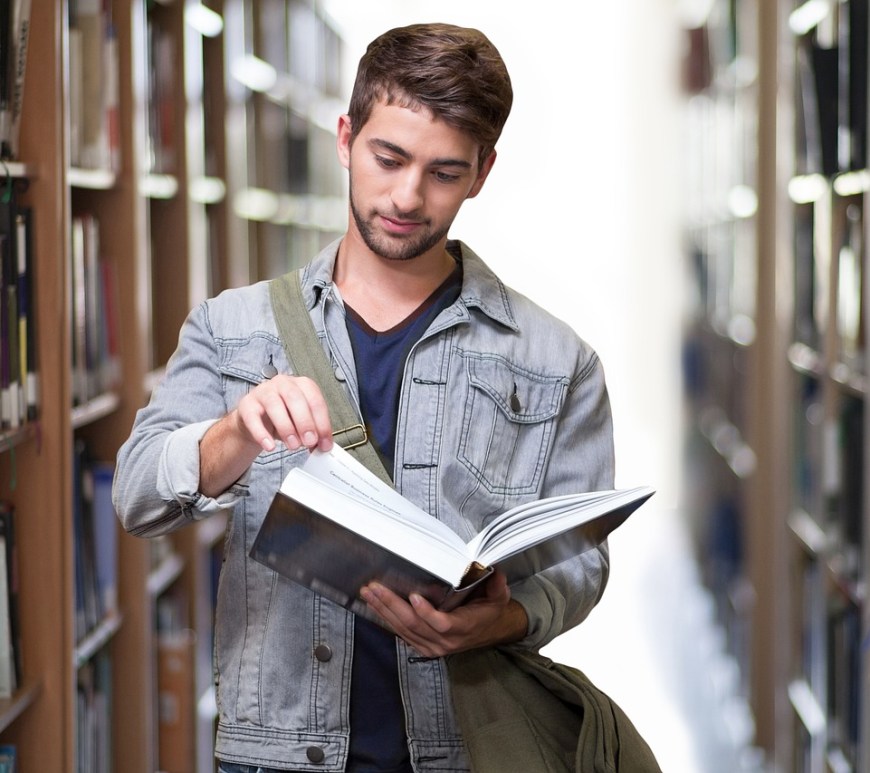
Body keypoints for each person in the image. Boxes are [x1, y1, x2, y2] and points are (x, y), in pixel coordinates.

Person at [113, 22, 615, 773]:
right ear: (346, 137)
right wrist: (235, 433)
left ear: (483, 171)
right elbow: (136, 494)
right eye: (389, 158)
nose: (408, 196)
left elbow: (581, 564)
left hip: (465, 750)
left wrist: (503, 619)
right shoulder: (233, 328)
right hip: (275, 755)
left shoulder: (556, 360)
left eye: (444, 172)